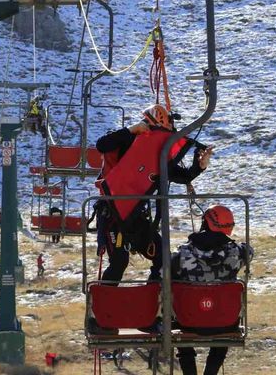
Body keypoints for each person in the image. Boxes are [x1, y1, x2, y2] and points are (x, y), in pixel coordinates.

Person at [94, 104, 214, 283]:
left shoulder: (157, 156)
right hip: (113, 213)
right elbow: (102, 144)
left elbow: (181, 175)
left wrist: (200, 166)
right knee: (119, 262)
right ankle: (103, 305)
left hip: (136, 215)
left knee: (164, 257)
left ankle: (155, 298)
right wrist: (131, 129)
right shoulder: (127, 140)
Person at [172, 205, 253, 375]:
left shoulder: (183, 253)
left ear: (205, 222)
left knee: (177, 319)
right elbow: (249, 252)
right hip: (224, 322)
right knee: (223, 334)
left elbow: (167, 272)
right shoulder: (236, 254)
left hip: (188, 322)